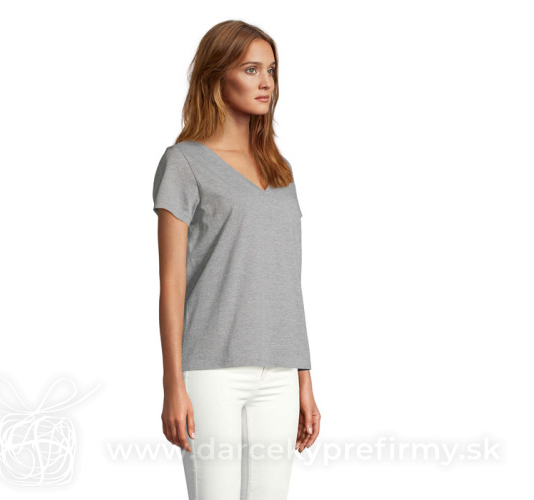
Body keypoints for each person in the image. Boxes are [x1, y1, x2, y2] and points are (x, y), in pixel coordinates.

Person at [152, 19, 321, 500]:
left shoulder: (280, 170)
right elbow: (172, 283)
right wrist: (172, 384)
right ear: (216, 76)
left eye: (271, 70)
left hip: (280, 372)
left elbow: (287, 280)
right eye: (251, 69)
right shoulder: (184, 162)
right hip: (212, 371)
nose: (266, 82)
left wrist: (304, 378)